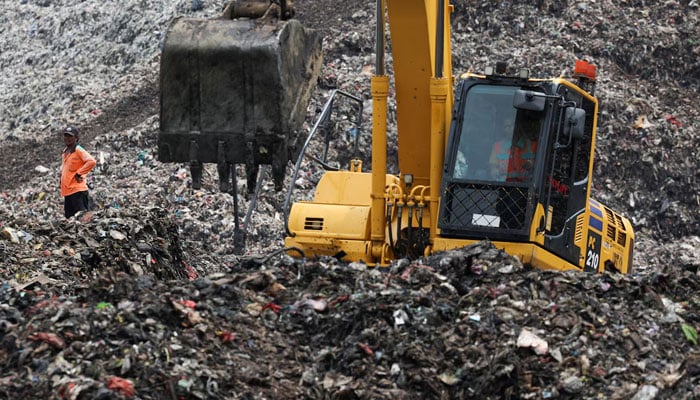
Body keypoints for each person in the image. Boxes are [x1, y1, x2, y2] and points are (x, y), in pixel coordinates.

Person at [60, 126, 96, 218]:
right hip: (68, 192)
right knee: (70, 220)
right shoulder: (65, 152)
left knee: (81, 218)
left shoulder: (78, 149)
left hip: (78, 191)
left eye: (70, 136)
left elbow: (91, 161)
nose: (67, 139)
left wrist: (79, 173)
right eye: (66, 136)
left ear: (76, 138)